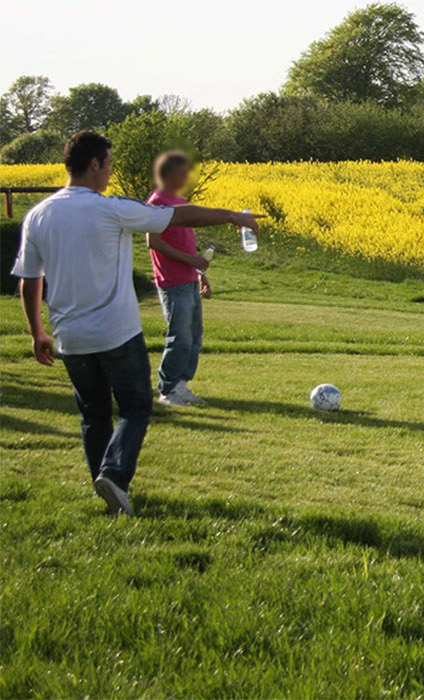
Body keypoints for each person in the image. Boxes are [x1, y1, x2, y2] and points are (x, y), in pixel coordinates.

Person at [12, 131, 264, 516]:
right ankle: (114, 476)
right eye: (108, 164)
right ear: (94, 164)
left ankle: (109, 493)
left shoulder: (39, 215)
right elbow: (178, 216)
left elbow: (30, 280)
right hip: (116, 333)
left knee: (93, 415)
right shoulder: (111, 209)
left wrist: (37, 332)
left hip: (69, 337)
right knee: (135, 407)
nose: (110, 173)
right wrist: (233, 216)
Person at [146, 151, 210, 407]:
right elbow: (153, 241)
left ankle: (181, 384)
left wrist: (201, 274)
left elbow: (188, 245)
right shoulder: (158, 202)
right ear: (169, 174)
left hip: (188, 279)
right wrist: (189, 261)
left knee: (194, 335)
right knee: (180, 336)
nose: (187, 177)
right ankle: (168, 389)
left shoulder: (180, 201)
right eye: (183, 172)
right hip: (172, 281)